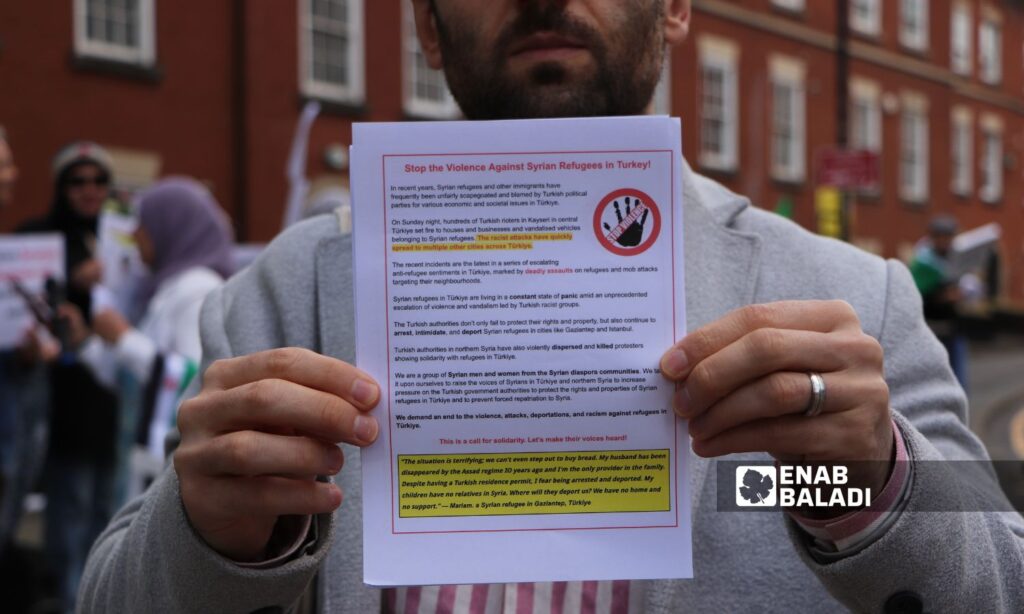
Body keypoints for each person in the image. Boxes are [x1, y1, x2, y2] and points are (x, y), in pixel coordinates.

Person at [81, 2, 1023, 612]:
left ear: (675, 9)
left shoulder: (851, 294)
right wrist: (212, 535)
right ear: (428, 30)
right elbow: (112, 593)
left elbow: (999, 582)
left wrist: (863, 482)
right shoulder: (285, 292)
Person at [67, 177, 235, 499]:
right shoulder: (167, 286)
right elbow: (132, 380)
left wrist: (124, 338)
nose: (134, 235)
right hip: (144, 463)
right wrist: (85, 342)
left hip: (168, 470)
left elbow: (194, 380)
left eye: (143, 224)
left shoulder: (197, 290)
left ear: (169, 227)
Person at [19, 142, 121, 613]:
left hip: (114, 393)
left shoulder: (119, 238)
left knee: (110, 505)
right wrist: (70, 280)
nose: (89, 191)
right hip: (61, 397)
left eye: (99, 181)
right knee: (71, 503)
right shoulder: (38, 236)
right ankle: (71, 599)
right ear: (62, 187)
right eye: (78, 181)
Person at [909, 215, 969, 391]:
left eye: (949, 237)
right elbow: (917, 297)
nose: (946, 241)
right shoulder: (922, 263)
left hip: (953, 330)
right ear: (933, 238)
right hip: (932, 331)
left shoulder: (955, 260)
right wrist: (942, 297)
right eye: (941, 236)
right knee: (934, 383)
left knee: (958, 383)